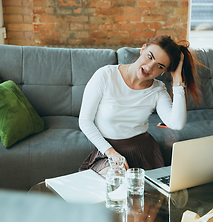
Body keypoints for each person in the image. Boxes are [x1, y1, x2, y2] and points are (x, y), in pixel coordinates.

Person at [78, 35, 201, 173]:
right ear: (143, 49)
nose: (149, 67)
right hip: (108, 151)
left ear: (164, 71)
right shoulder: (105, 75)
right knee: (116, 178)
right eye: (150, 56)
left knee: (146, 193)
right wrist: (111, 153)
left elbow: (177, 124)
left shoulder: (157, 90)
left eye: (159, 66)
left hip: (144, 152)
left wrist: (177, 80)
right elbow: (85, 121)